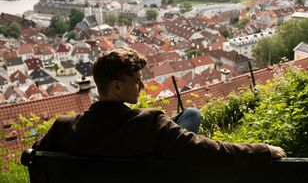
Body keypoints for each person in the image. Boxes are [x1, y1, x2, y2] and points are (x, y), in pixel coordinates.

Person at [33, 47, 286, 167]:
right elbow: (209, 150)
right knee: (191, 116)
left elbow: (33, 155)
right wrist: (262, 150)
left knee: (189, 114)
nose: (141, 86)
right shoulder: (151, 125)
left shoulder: (63, 127)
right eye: (136, 81)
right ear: (117, 87)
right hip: (149, 157)